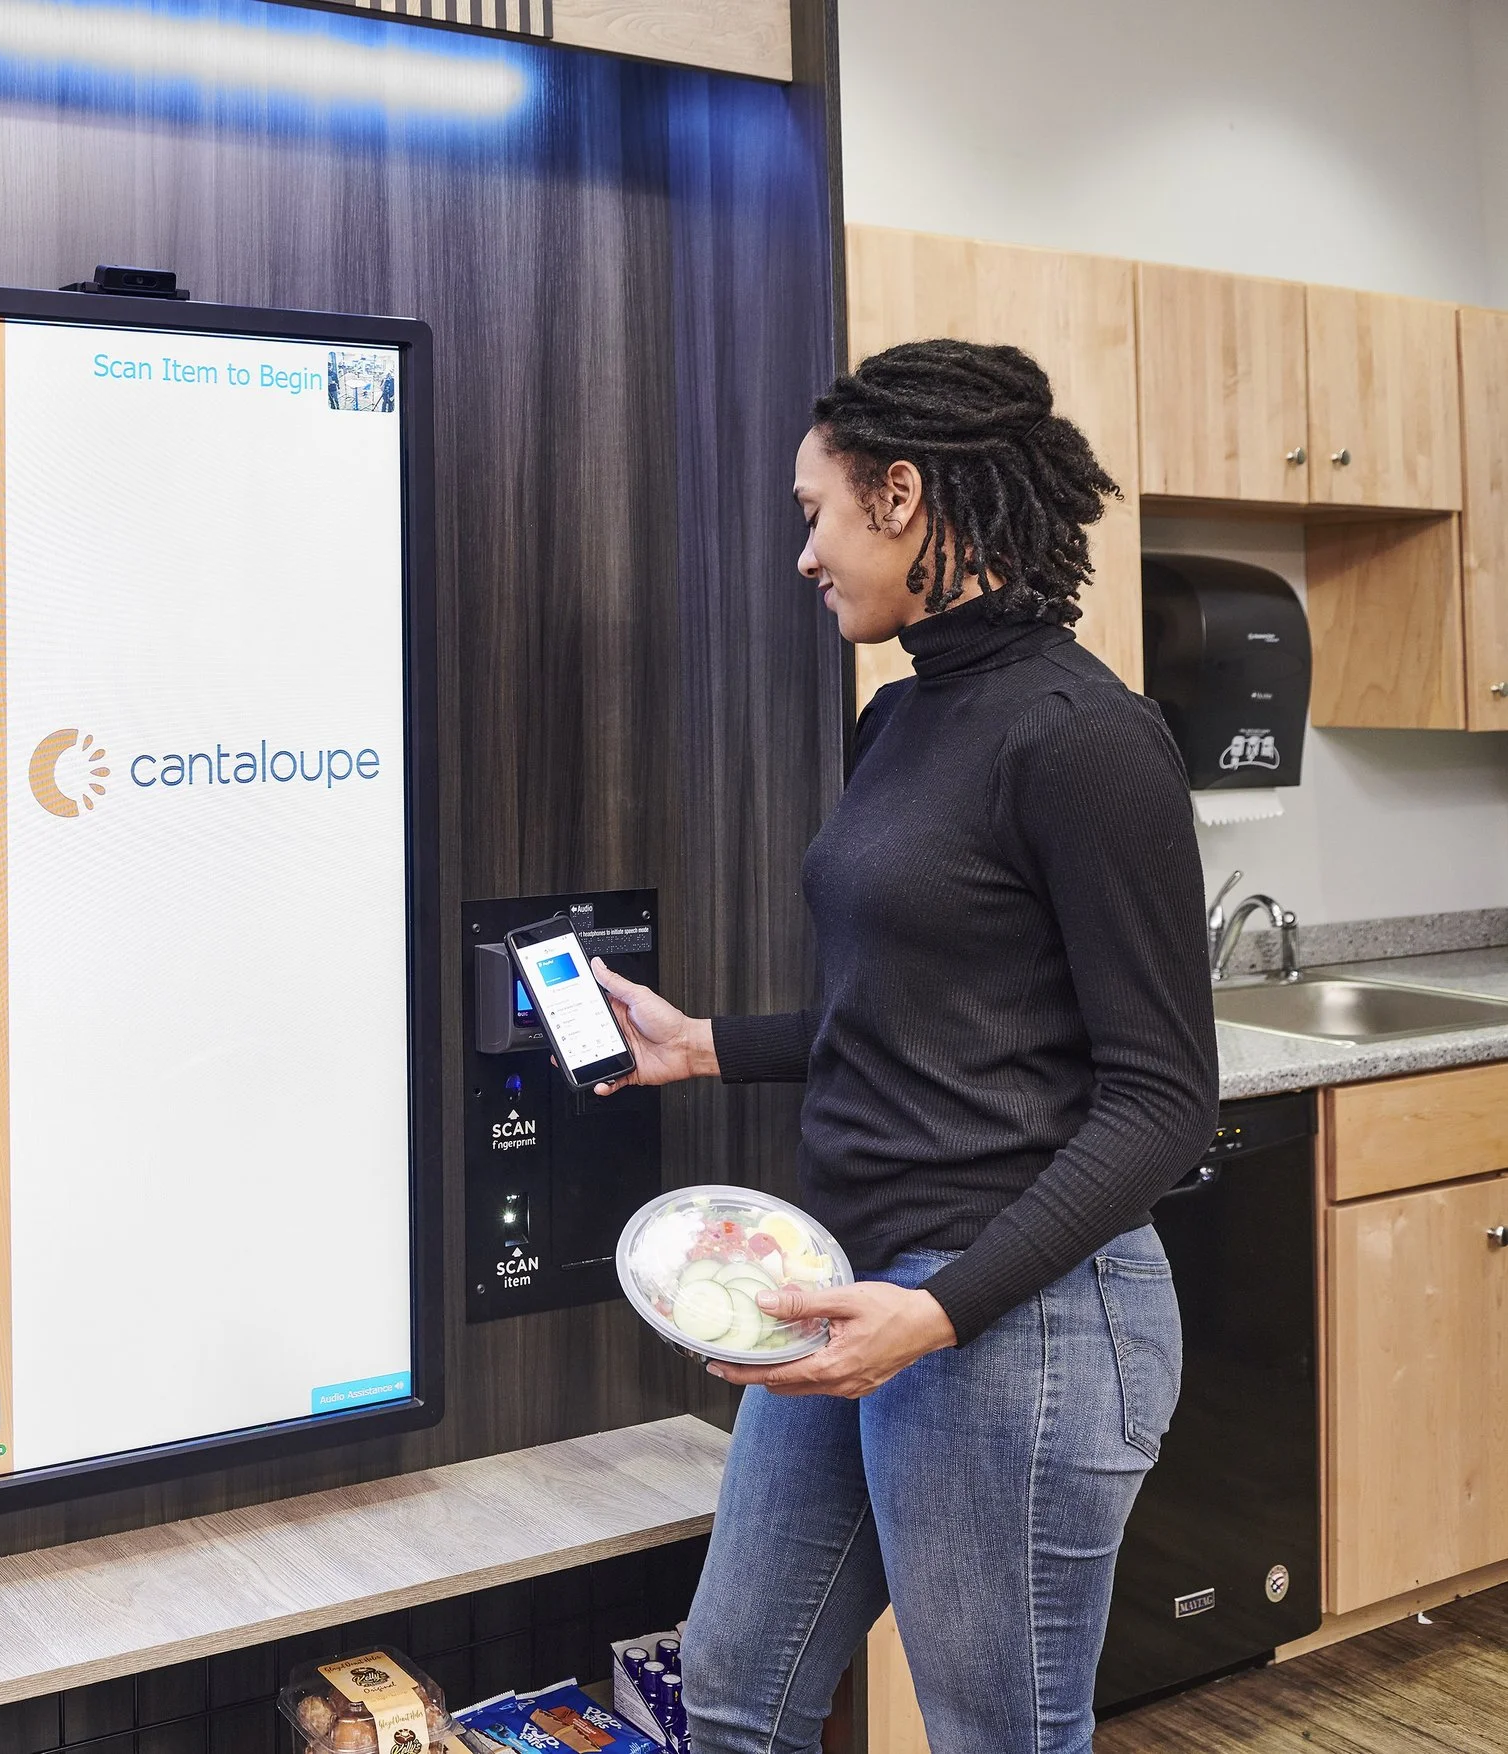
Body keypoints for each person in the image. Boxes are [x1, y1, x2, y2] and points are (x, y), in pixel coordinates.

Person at [591, 340, 1217, 1753]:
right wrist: (707, 1045)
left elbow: (1167, 1100)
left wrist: (939, 1315)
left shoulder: (1087, 739)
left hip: (1026, 1313)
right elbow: (915, 1013)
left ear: (904, 494)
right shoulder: (899, 716)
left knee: (997, 1735)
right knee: (737, 1693)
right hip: (868, 1284)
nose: (804, 553)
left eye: (815, 512)